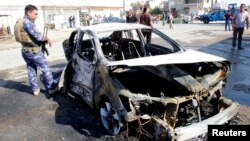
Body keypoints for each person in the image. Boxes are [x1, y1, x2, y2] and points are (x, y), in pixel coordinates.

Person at [14, 4, 58, 95]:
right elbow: (38, 37)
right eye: (35, 14)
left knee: (31, 69)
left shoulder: (20, 22)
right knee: (46, 69)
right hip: (34, 52)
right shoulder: (28, 23)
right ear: (29, 13)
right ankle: (52, 88)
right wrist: (46, 38)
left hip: (25, 50)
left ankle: (35, 90)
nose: (37, 16)